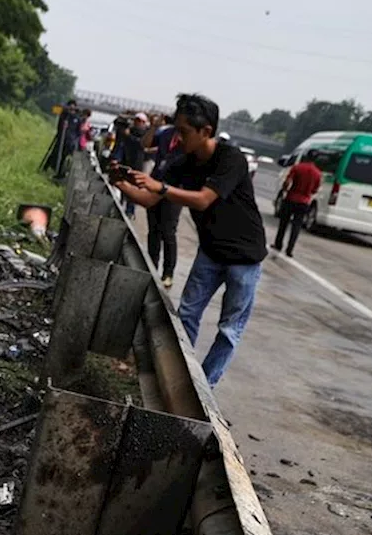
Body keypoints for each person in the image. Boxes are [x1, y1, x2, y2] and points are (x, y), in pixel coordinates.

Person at [113, 93, 267, 387]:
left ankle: (204, 386)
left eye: (183, 132)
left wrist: (162, 186)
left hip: (245, 259)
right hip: (210, 252)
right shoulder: (181, 163)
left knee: (229, 330)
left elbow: (202, 200)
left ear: (205, 131)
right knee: (187, 315)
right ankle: (178, 379)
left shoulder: (230, 158)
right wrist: (121, 182)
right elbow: (148, 200)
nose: (178, 138)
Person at [144, 115, 182, 287]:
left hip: (173, 190)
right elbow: (145, 145)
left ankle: (168, 273)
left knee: (168, 232)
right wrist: (153, 126)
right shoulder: (165, 133)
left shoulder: (189, 141)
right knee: (153, 230)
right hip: (156, 183)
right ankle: (151, 266)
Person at [274, 151, 322, 257]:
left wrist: (285, 190)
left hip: (291, 198)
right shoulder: (317, 173)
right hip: (304, 202)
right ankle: (289, 249)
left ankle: (278, 244)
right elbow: (315, 189)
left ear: (306, 157)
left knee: (283, 223)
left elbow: (287, 182)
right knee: (296, 226)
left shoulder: (297, 167)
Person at [110, 117, 144, 216]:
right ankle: (119, 208)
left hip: (135, 164)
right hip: (123, 163)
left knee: (133, 189)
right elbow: (118, 147)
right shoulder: (121, 135)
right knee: (121, 186)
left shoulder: (137, 133)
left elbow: (140, 145)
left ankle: (130, 211)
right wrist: (115, 158)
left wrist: (129, 135)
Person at [42, 100, 81, 178]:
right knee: (54, 154)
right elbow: (59, 127)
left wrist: (74, 139)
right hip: (61, 138)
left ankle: (59, 174)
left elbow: (78, 131)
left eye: (73, 106)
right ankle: (45, 169)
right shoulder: (64, 115)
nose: (71, 108)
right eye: (70, 106)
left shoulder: (77, 118)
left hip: (69, 141)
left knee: (64, 158)